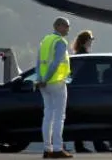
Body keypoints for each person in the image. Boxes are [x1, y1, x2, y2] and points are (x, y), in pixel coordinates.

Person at [69, 31, 111, 153]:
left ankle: (80, 146)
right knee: (93, 118)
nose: (91, 42)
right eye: (90, 40)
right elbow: (88, 74)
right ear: (85, 41)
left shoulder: (78, 55)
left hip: (79, 92)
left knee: (81, 119)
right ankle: (98, 145)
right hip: (86, 92)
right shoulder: (85, 57)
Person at [37, 17, 73, 159]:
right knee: (59, 117)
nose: (68, 29)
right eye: (66, 26)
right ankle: (58, 148)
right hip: (56, 82)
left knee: (48, 115)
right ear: (58, 26)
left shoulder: (45, 40)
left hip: (44, 83)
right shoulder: (60, 42)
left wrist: (40, 79)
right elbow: (55, 63)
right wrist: (46, 79)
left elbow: (38, 62)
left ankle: (47, 149)